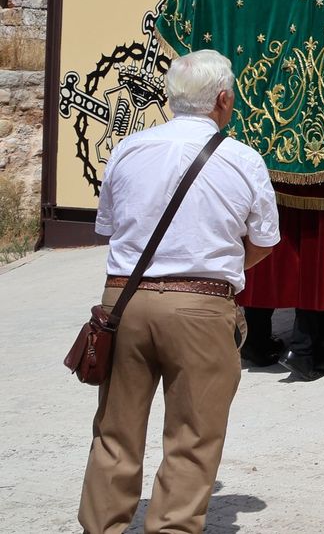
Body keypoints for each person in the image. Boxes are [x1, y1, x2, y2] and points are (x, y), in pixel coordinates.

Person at [79, 49, 279, 534]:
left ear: (170, 99)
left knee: (115, 429)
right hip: (202, 306)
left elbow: (109, 227)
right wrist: (220, 270)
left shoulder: (128, 148)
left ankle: (101, 526)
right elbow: (264, 242)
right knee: (193, 435)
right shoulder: (242, 159)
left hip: (124, 301)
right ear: (224, 100)